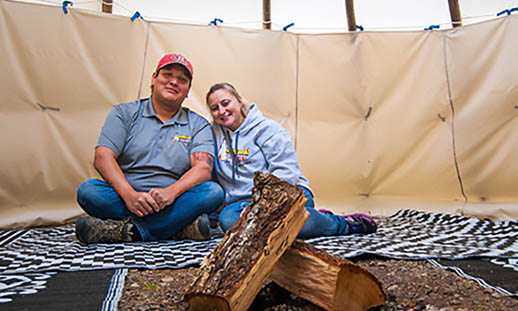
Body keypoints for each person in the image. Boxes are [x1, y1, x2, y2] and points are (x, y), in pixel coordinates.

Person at [75, 54, 224, 244]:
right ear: (154, 79)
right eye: (167, 74)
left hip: (173, 200)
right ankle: (174, 229)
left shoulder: (198, 124)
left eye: (182, 80)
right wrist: (130, 195)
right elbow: (103, 157)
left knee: (213, 192)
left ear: (188, 91)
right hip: (124, 197)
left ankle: (128, 232)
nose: (173, 82)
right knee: (88, 191)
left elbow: (203, 168)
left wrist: (171, 193)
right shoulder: (124, 113)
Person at [206, 82, 377, 238]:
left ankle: (342, 224)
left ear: (240, 101)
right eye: (214, 108)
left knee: (279, 225)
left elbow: (287, 173)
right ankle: (310, 217)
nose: (221, 111)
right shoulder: (214, 135)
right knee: (228, 219)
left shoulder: (268, 130)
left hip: (287, 194)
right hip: (243, 206)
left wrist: (265, 207)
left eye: (226, 103)